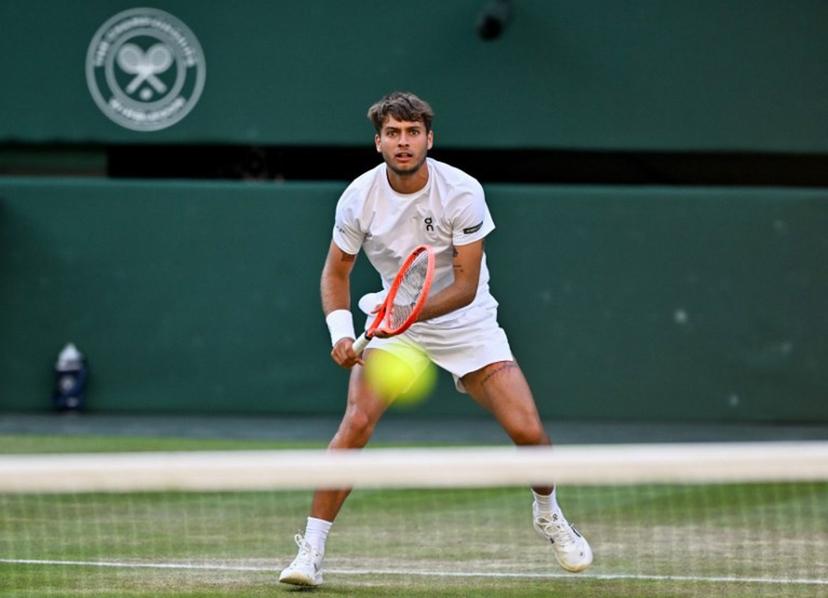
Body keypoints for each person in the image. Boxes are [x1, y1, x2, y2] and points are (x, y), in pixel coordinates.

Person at [279, 91, 592, 587]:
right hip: (394, 323)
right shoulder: (358, 198)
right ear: (378, 142)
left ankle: (548, 512)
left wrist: (402, 315)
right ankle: (310, 552)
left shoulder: (462, 191)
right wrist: (341, 331)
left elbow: (465, 286)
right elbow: (336, 272)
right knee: (356, 423)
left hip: (466, 322)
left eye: (412, 133)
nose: (403, 142)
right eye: (393, 133)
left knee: (529, 432)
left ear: (429, 139)